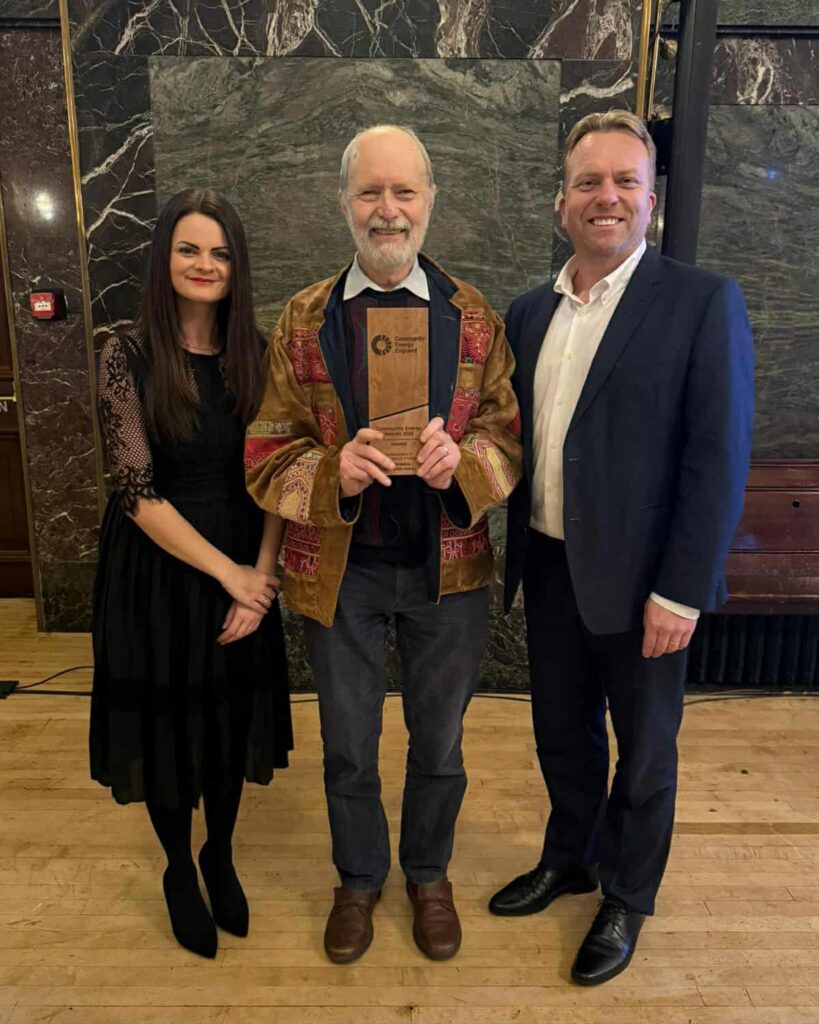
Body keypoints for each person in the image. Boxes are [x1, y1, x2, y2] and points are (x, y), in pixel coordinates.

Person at [245, 125, 522, 964]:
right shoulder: (302, 320)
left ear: (430, 201)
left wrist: (460, 462)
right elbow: (265, 452)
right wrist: (336, 472)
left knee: (440, 743)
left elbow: (509, 439)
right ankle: (358, 879)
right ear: (344, 204)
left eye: (404, 192)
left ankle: (427, 876)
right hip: (343, 577)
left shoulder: (474, 317)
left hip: (451, 576)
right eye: (370, 192)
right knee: (347, 745)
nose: (388, 210)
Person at [490, 110, 754, 985]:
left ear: (650, 198)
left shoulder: (699, 301)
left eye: (624, 182)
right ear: (559, 201)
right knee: (561, 735)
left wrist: (682, 590)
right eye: (588, 183)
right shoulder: (529, 312)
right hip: (550, 567)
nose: (606, 197)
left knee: (643, 752)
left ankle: (627, 895)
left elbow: (717, 457)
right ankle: (570, 856)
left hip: (646, 584)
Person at [90, 188, 293, 959]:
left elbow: (278, 474)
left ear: (237, 266)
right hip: (159, 572)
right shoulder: (127, 354)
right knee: (171, 732)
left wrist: (262, 577)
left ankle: (220, 851)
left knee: (227, 724)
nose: (204, 265)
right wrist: (230, 576)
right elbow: (138, 494)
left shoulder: (260, 354)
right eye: (189, 249)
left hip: (246, 559)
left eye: (220, 252)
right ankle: (179, 865)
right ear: (164, 259)